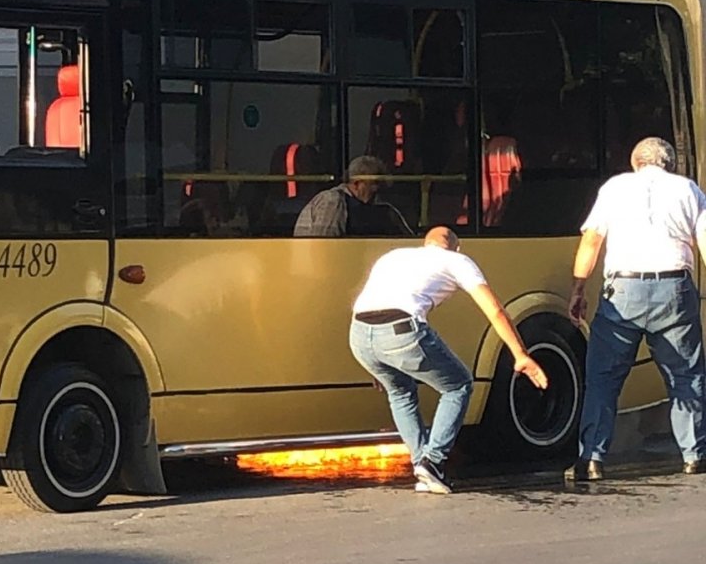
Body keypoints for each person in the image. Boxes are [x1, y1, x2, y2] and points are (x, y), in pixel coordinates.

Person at [350, 227, 548, 494]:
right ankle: (433, 461)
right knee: (458, 385)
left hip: (360, 336)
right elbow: (495, 311)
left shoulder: (393, 256)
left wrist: (379, 361)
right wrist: (520, 354)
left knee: (400, 392)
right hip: (400, 330)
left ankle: (423, 464)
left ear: (425, 244)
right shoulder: (457, 261)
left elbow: (373, 304)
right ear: (457, 246)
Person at [568, 136, 706, 481]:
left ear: (635, 162)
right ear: (669, 163)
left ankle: (592, 459)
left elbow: (592, 240)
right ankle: (694, 456)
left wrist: (579, 288)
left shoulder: (615, 188)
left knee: (603, 378)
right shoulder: (688, 189)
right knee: (686, 375)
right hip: (674, 287)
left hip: (623, 291)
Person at [294, 155, 412, 237]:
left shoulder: (385, 210)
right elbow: (323, 244)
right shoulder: (333, 201)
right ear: (356, 184)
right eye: (373, 184)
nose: (377, 189)